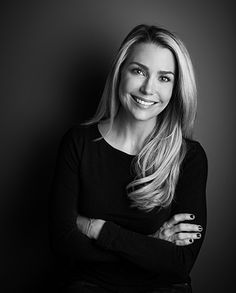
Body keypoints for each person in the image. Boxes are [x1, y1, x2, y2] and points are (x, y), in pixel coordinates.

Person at [50, 24, 208, 293]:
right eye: (138, 71)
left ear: (175, 88)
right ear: (120, 73)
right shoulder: (79, 142)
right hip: (91, 285)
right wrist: (150, 243)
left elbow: (180, 261)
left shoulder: (189, 157)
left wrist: (99, 229)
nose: (148, 88)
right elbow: (63, 241)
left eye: (164, 78)